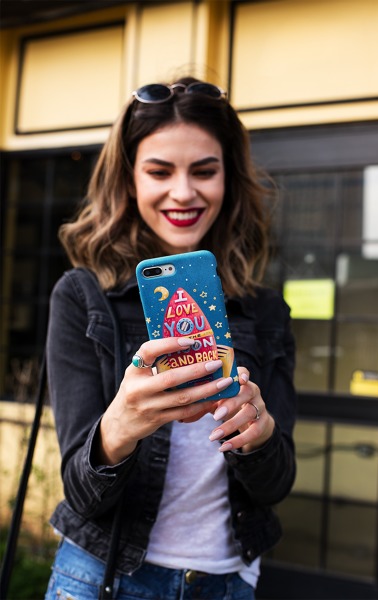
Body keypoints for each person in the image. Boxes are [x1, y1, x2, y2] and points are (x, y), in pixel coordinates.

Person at [45, 76, 297, 600]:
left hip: (226, 583)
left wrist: (260, 434)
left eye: (204, 171)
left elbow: (277, 486)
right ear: (129, 180)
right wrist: (120, 427)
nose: (183, 192)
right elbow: (81, 494)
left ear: (229, 178)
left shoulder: (267, 310)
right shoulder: (83, 296)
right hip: (101, 578)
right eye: (159, 171)